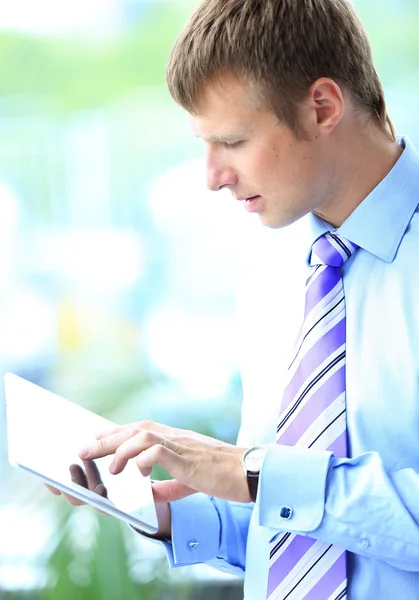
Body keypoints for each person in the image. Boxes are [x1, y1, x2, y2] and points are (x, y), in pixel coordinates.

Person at [49, 0, 419, 598]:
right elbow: (295, 519)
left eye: (233, 141)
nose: (212, 176)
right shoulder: (277, 268)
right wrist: (162, 511)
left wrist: (252, 472)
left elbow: (276, 481)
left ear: (323, 107)